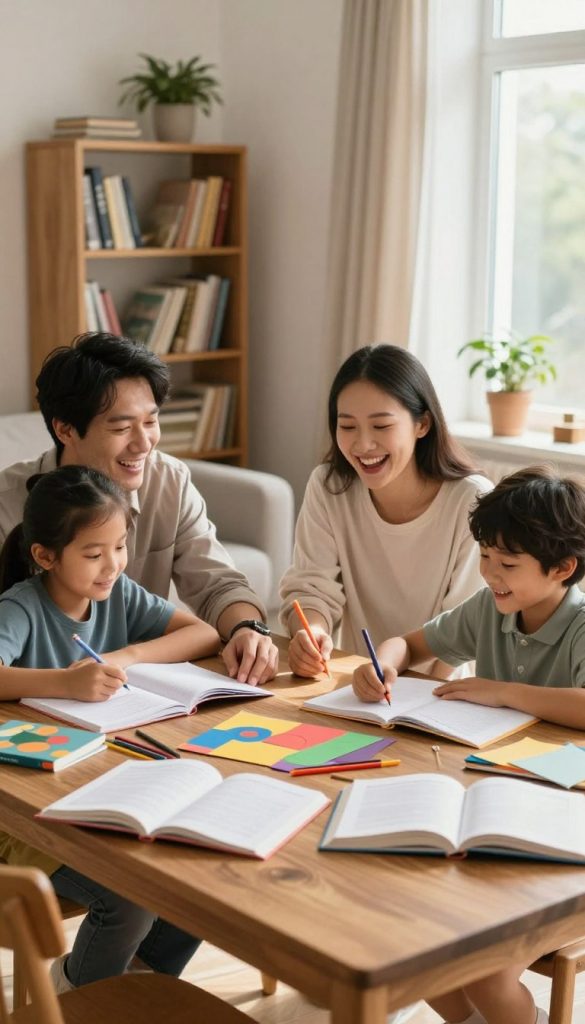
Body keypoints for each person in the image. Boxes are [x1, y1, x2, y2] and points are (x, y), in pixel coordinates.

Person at [352, 466, 585, 1024]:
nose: (490, 575)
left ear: (562, 568)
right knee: (406, 927)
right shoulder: (491, 608)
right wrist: (382, 662)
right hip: (490, 796)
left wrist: (504, 692)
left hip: (563, 813)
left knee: (478, 961)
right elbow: (408, 642)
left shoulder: (580, 622)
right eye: (484, 557)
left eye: (507, 565)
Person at [0, 464, 221, 991]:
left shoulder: (117, 593)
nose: (112, 565)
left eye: (120, 547)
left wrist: (127, 654)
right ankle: (81, 992)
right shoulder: (21, 607)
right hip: (29, 818)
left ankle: (140, 984)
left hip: (106, 786)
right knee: (130, 894)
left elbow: (203, 633)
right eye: (94, 554)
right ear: (45, 556)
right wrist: (65, 683)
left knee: (194, 871)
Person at [0, 332, 277, 686]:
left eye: (150, 421)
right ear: (65, 429)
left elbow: (217, 585)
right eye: (121, 427)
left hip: (126, 691)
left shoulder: (168, 482)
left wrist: (248, 629)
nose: (144, 443)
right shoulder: (7, 501)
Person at [279, 344, 491, 677]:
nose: (363, 445)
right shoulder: (329, 486)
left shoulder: (471, 502)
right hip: (357, 687)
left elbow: (464, 634)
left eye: (381, 426)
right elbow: (311, 588)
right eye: (347, 427)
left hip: (445, 697)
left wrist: (414, 704)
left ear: (422, 424)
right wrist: (311, 632)